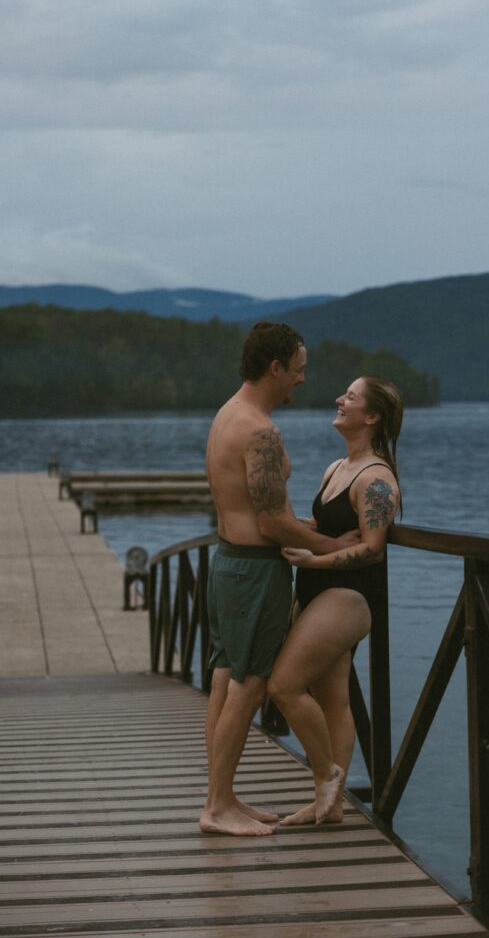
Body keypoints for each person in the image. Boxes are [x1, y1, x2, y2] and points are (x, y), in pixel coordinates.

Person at [199, 322, 359, 836]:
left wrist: (306, 529)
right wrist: (332, 545)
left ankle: (222, 797)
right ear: (275, 367)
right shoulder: (260, 431)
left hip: (227, 563)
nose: (302, 380)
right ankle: (217, 807)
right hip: (253, 571)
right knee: (248, 686)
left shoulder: (229, 414)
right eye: (298, 369)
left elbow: (259, 511)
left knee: (227, 680)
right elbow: (270, 522)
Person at [268, 376, 403, 825]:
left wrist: (313, 560)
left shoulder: (377, 478)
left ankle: (326, 778)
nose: (338, 399)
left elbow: (372, 548)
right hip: (316, 589)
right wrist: (289, 527)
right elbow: (328, 527)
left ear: (372, 415)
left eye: (350, 396)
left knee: (283, 685)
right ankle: (331, 804)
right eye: (342, 392)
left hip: (346, 597)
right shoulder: (335, 468)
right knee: (332, 700)